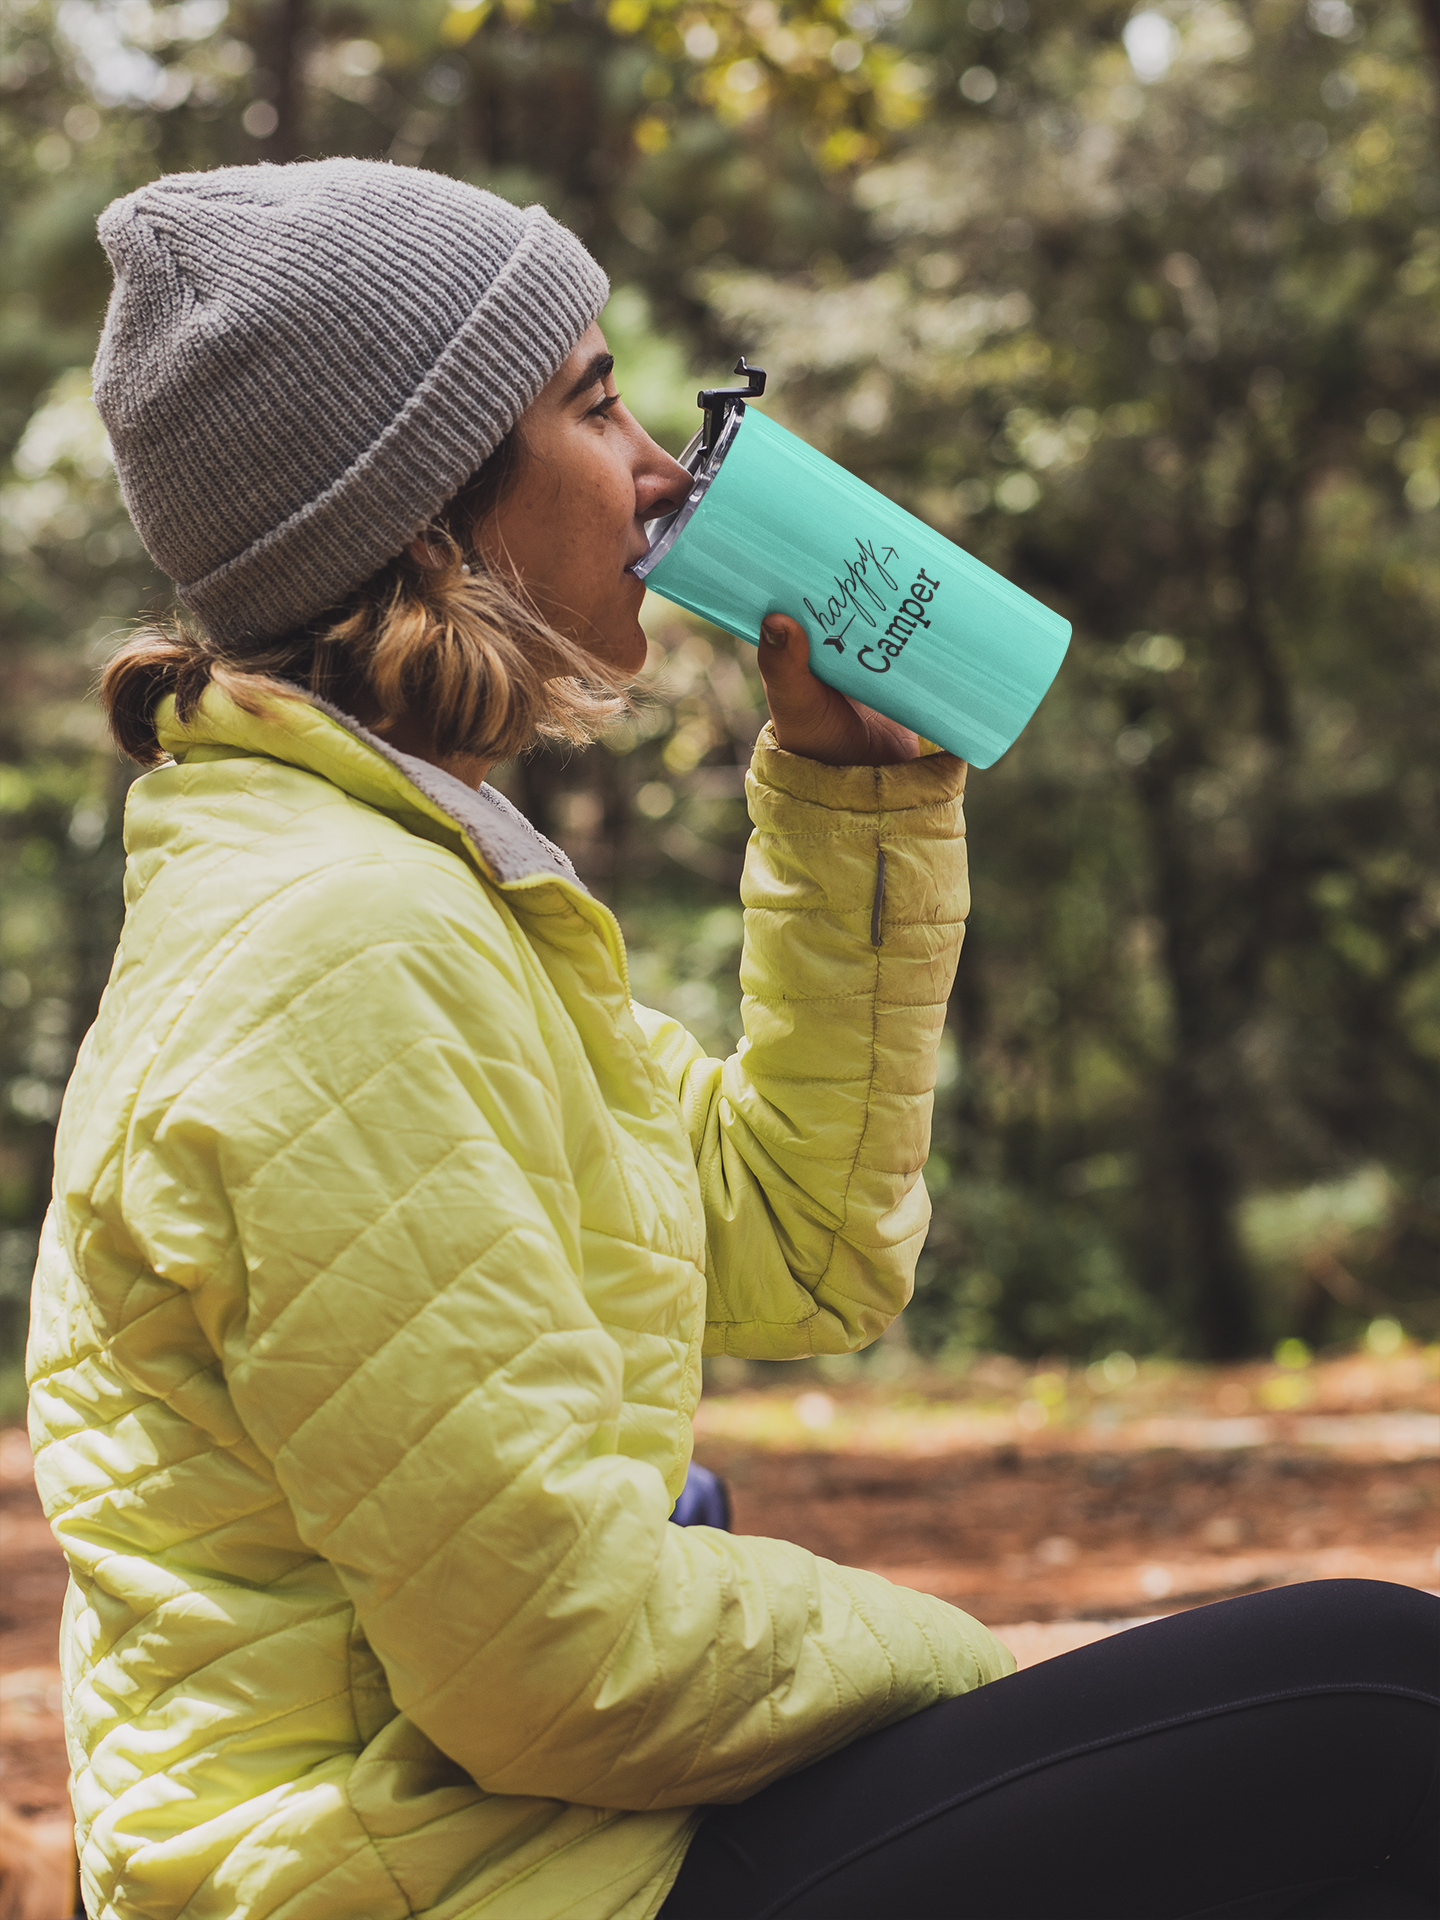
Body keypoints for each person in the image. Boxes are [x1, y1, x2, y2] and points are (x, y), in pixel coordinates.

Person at [26, 160, 1437, 1920]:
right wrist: (979, 1668)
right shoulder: (341, 947)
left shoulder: (428, 889)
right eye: (594, 402)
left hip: (519, 1847)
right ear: (428, 518)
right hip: (439, 1879)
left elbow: (796, 1250)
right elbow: (552, 1659)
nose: (662, 469)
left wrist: (854, 805)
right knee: (1379, 1712)